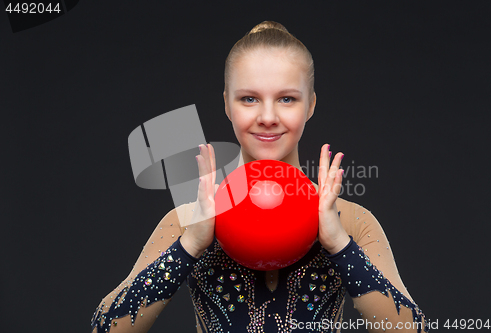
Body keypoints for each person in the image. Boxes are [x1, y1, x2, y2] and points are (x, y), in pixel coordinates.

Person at [91, 21, 429, 333]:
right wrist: (190, 245)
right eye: (249, 99)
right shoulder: (187, 220)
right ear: (227, 104)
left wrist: (339, 244)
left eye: (286, 99)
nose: (267, 117)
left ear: (310, 104)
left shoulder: (352, 221)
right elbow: (104, 327)